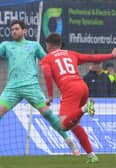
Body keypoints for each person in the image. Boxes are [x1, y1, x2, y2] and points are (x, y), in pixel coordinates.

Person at [0, 20, 80, 155]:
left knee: (48, 113)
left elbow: (49, 61)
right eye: (12, 29)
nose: (14, 31)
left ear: (24, 30)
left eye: (17, 29)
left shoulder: (34, 46)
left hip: (32, 87)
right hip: (12, 88)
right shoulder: (6, 45)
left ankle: (69, 141)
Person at [40, 33, 116, 163]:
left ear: (48, 45)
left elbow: (48, 76)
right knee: (74, 124)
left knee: (63, 125)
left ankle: (85, 108)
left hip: (70, 90)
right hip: (83, 87)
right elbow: (93, 57)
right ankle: (91, 155)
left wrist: (50, 96)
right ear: (60, 45)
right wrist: (111, 55)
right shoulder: (71, 54)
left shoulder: (47, 59)